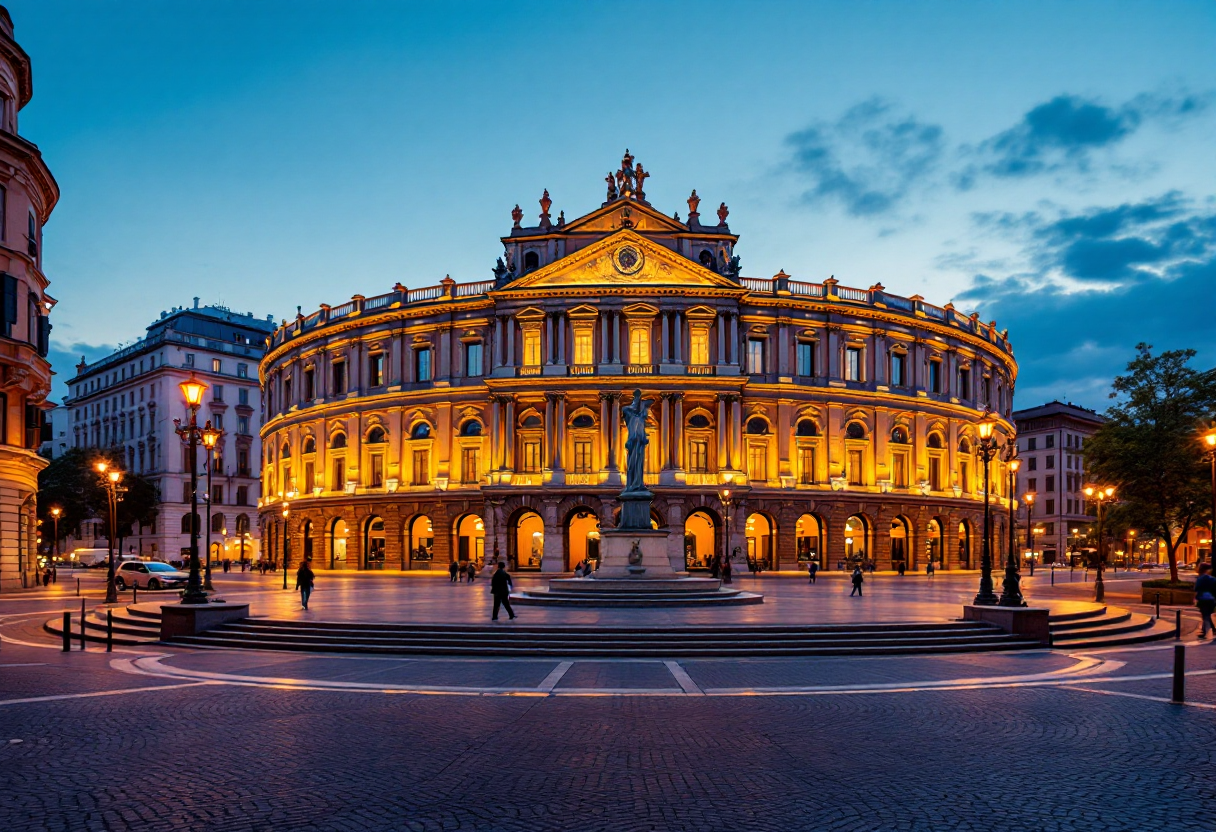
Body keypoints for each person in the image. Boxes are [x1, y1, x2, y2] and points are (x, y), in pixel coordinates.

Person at [1195, 563, 1216, 639]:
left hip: (1202, 599)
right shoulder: (1212, 579)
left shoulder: (1200, 578)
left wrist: (1196, 598)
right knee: (1207, 615)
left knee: (1206, 616)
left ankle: (1205, 632)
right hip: (1211, 599)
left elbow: (1196, 589)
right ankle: (1206, 631)